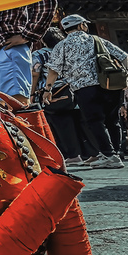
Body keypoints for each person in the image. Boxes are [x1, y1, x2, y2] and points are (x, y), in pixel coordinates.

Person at [43, 14, 128, 169]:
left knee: (95, 121)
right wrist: (126, 75)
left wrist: (47, 90)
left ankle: (109, 155)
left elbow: (53, 70)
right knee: (113, 120)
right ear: (82, 25)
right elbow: (123, 56)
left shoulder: (61, 46)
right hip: (109, 85)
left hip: (84, 89)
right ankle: (115, 154)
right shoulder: (97, 40)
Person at [32, 27, 84, 164]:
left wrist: (32, 93)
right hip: (76, 90)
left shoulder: (40, 54)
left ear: (43, 40)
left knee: (59, 125)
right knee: (80, 123)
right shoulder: (70, 51)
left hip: (54, 93)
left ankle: (71, 154)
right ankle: (87, 153)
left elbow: (35, 73)